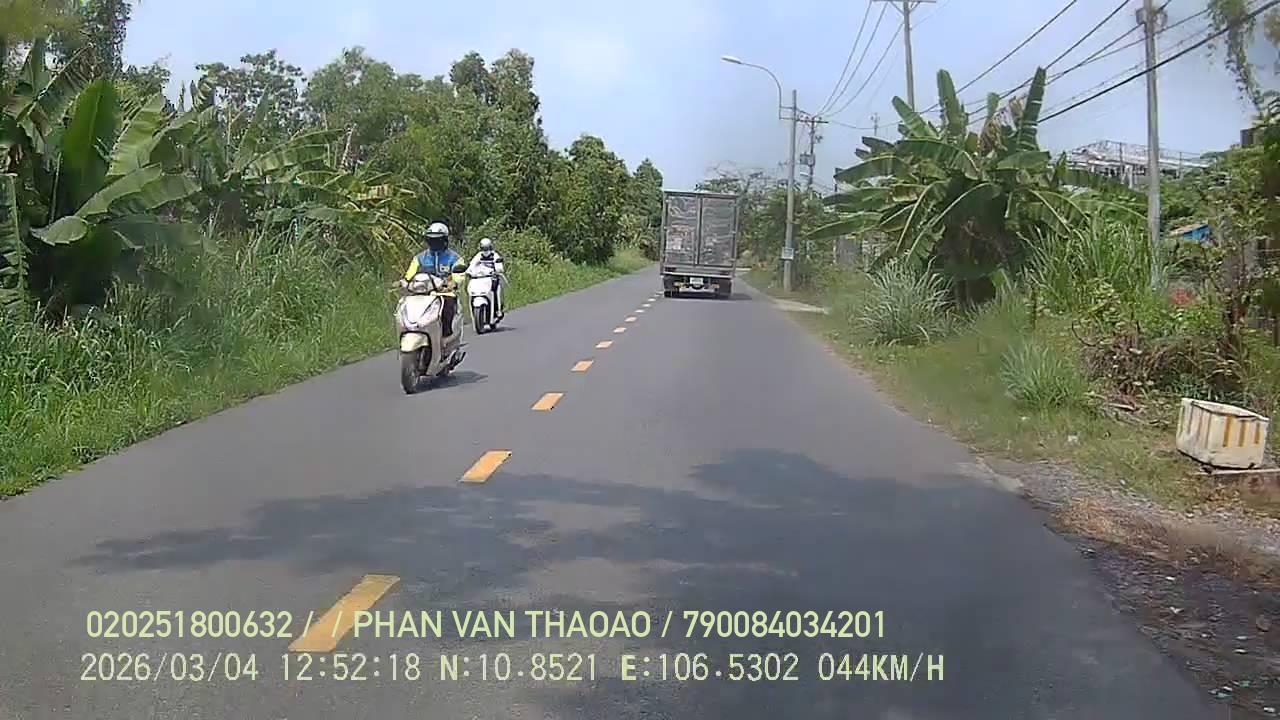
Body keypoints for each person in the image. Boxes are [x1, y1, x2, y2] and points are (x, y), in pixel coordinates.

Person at [403, 221, 463, 336]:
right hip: (422, 294)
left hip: (444, 293)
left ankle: (446, 335)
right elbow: (409, 274)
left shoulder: (454, 258)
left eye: (438, 240)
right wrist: (404, 282)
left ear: (445, 240)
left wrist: (454, 283)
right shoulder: (420, 258)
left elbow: (459, 275)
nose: (435, 243)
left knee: (448, 305)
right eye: (432, 240)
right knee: (406, 306)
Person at [467, 237, 506, 319]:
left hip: (491, 277)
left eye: (487, 248)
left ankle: (498, 309)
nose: (485, 250)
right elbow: (472, 264)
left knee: (496, 289)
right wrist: (469, 271)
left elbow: (499, 265)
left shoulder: (494, 255)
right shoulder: (478, 255)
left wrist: (498, 270)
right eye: (484, 248)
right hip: (480, 278)